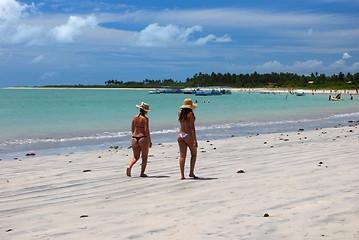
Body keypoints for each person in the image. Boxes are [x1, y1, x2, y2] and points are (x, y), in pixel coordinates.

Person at [127, 102, 152, 177]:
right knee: (144, 157)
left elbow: (132, 128)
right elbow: (146, 130)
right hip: (142, 138)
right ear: (145, 111)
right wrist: (149, 141)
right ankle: (142, 173)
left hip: (134, 138)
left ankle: (129, 167)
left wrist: (134, 135)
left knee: (135, 156)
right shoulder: (145, 119)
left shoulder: (134, 117)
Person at [177, 98, 198, 180]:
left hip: (181, 134)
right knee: (194, 154)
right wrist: (195, 140)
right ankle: (191, 173)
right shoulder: (190, 114)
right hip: (188, 135)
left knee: (182, 156)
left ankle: (182, 175)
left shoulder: (180, 113)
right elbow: (192, 128)